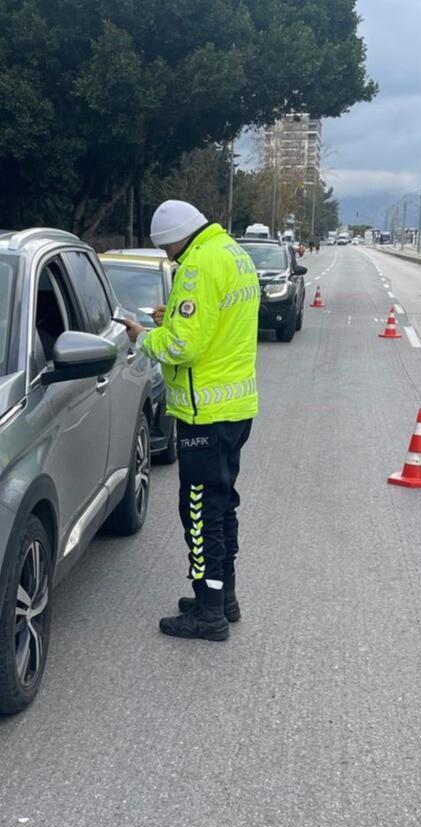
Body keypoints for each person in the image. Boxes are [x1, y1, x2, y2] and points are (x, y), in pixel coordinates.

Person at [122, 199, 259, 642]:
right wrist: (173, 322)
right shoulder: (233, 253)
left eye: (166, 248)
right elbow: (216, 324)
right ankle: (224, 597)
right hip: (235, 408)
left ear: (176, 238)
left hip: (205, 414)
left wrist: (144, 337)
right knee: (223, 503)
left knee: (199, 511)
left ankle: (208, 613)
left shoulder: (197, 266)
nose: (167, 256)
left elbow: (183, 347)